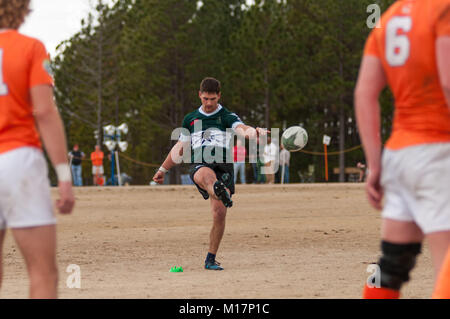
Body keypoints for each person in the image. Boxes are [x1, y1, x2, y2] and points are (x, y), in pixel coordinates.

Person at [354, 0, 450, 299]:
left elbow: (365, 93)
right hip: (439, 152)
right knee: (446, 265)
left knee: (393, 266)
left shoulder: (387, 19)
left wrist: (375, 163)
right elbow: (448, 82)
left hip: (399, 154)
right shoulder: (443, 9)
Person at [0, 0, 75, 298]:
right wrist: (64, 177)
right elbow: (44, 112)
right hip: (18, 160)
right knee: (42, 272)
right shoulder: (32, 48)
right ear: (22, 9)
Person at [152, 77, 268, 270]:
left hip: (223, 166)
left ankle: (210, 259)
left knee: (219, 213)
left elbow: (242, 129)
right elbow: (180, 147)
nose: (208, 103)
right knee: (205, 175)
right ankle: (217, 188)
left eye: (212, 99)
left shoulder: (227, 116)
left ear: (219, 96)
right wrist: (163, 169)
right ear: (199, 95)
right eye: (205, 98)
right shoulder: (190, 119)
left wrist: (253, 133)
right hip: (201, 162)